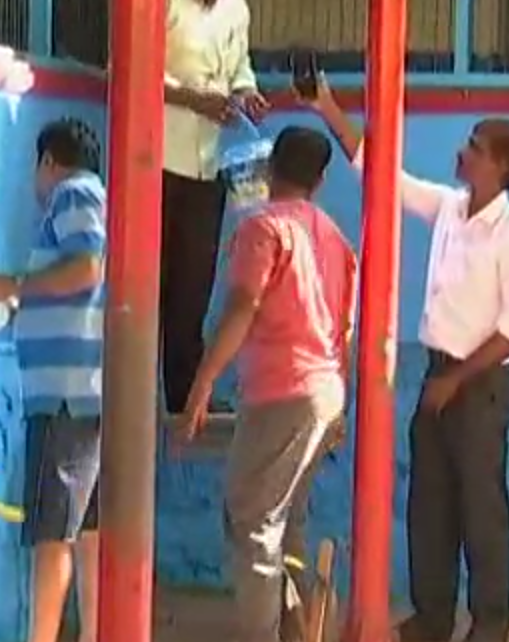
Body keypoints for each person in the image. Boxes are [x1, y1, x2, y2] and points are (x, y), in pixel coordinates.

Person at [301, 75, 509, 642]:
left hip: (478, 386)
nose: (464, 152)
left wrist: (454, 381)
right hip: (441, 376)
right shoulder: (450, 208)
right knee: (429, 507)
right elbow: (383, 178)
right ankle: (431, 619)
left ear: (500, 167)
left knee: (481, 512)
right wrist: (329, 109)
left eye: (476, 148)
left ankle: (489, 626)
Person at [181, 127, 356, 642]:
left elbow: (242, 307)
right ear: (321, 180)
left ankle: (267, 632)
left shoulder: (263, 229)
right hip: (323, 389)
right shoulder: (335, 238)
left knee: (252, 521)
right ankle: (294, 627)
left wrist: (202, 383)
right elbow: (344, 329)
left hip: (281, 391)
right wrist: (337, 400)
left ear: (269, 167)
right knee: (286, 518)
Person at [0, 120, 106, 642]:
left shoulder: (73, 194)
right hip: (88, 393)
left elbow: (87, 269)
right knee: (87, 531)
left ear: (48, 162)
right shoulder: (93, 201)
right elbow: (43, 298)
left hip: (64, 397)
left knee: (53, 535)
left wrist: (13, 282)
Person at [161, 0, 271, 415]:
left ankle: (185, 396)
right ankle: (129, 393)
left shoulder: (236, 8)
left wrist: (244, 92)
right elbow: (129, 67)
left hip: (208, 167)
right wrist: (191, 99)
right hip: (156, 162)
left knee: (193, 289)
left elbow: (239, 66)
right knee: (144, 290)